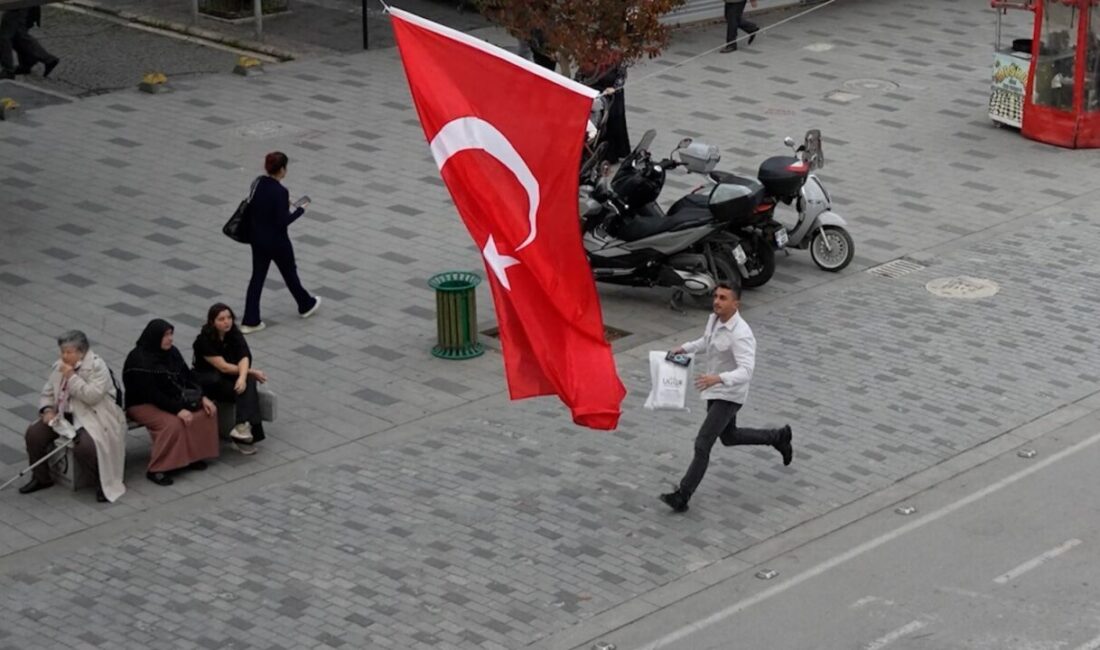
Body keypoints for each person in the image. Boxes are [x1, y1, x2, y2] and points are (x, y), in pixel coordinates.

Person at [660, 282, 793, 513]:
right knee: (729, 437)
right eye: (716, 296)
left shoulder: (741, 335)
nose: (716, 301)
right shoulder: (713, 319)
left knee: (703, 443)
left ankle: (683, 495)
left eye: (723, 298)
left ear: (736, 303)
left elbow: (746, 371)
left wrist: (718, 379)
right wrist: (685, 348)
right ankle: (778, 437)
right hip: (714, 389)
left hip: (729, 394)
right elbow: (706, 341)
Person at [19, 331, 126, 503]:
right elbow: (48, 392)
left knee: (86, 447)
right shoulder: (60, 366)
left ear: (81, 352)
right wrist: (47, 410)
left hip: (93, 415)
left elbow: (92, 396)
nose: (64, 356)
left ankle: (103, 482)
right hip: (63, 414)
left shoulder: (97, 366)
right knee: (34, 434)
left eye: (69, 352)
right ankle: (41, 477)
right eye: (62, 352)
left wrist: (71, 377)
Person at [123, 319, 219, 486]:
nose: (170, 339)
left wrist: (201, 397)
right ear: (155, 337)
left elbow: (187, 376)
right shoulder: (139, 360)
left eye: (171, 334)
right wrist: (177, 410)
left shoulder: (171, 352)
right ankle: (158, 468)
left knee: (204, 413)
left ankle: (192, 457)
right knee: (172, 424)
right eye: (166, 335)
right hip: (142, 403)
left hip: (173, 396)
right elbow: (152, 394)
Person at [240, 151, 321, 334]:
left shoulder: (258, 182)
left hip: (257, 240)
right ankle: (305, 304)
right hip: (277, 242)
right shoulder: (280, 191)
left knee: (257, 278)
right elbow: (282, 222)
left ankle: (250, 320)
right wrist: (300, 210)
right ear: (282, 169)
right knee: (289, 273)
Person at [192, 303, 268, 456]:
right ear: (212, 322)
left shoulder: (234, 333)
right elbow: (223, 367)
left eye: (229, 318)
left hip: (226, 377)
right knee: (247, 383)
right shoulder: (203, 340)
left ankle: (241, 427)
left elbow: (244, 356)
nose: (226, 322)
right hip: (209, 381)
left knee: (248, 382)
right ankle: (243, 432)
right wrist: (249, 373)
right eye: (221, 319)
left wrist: (243, 377)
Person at [577, 54, 630, 163]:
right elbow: (579, 76)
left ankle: (611, 154)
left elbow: (621, 77)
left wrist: (614, 88)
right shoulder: (589, 55)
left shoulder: (616, 58)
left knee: (611, 122)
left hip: (609, 93)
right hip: (593, 92)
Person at [0, 8, 59, 79]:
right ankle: (28, 62)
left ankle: (8, 70)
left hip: (18, 6)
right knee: (18, 35)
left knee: (5, 36)